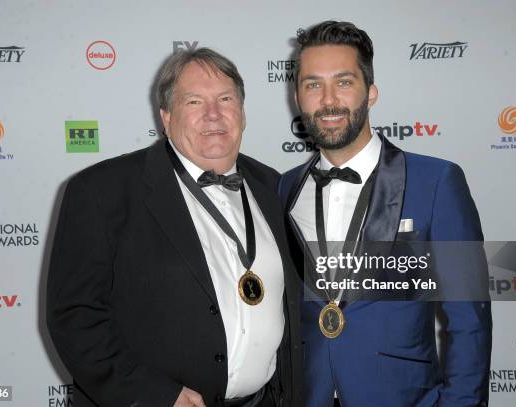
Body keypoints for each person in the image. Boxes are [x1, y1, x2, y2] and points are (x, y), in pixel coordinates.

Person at [47, 48, 303, 407]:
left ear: (242, 113)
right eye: (195, 101)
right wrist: (155, 395)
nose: (214, 114)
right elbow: (75, 317)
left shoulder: (274, 186)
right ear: (166, 117)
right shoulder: (102, 191)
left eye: (226, 99)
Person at [279, 21, 492, 407]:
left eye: (343, 82)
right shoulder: (284, 189)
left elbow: (469, 320)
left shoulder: (437, 182)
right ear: (298, 97)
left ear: (370, 92)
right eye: (313, 85)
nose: (328, 100)